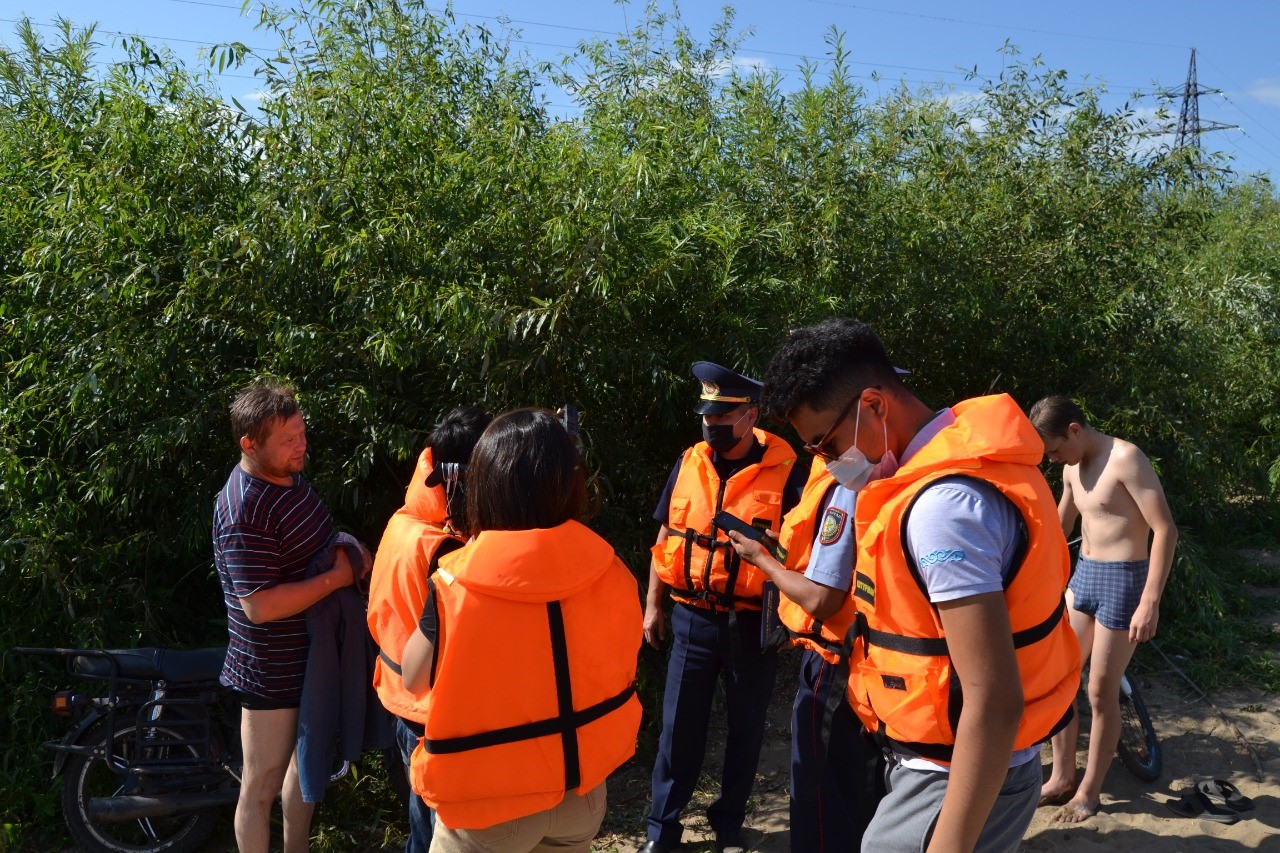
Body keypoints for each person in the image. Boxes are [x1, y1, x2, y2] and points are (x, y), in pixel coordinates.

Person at [760, 318, 1081, 853]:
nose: (828, 462)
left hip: (955, 774)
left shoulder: (943, 509)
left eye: (827, 443)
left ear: (875, 405)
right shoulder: (957, 469)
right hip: (951, 763)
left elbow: (994, 697)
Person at [400, 408, 642, 853]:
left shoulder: (455, 581)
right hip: (582, 793)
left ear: (487, 485)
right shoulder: (609, 566)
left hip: (489, 807)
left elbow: (413, 677)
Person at [642, 362, 807, 853]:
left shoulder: (789, 471)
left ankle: (729, 824)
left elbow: (805, 551)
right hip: (691, 615)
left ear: (749, 416)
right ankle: (662, 832)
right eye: (706, 418)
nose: (710, 426)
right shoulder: (689, 461)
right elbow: (666, 535)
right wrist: (653, 605)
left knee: (746, 729)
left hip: (753, 623)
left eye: (721, 418)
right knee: (677, 729)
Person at [213, 382, 370, 853]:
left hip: (311, 659)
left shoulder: (288, 478)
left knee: (306, 771)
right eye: (288, 439)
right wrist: (340, 578)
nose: (301, 445)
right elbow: (259, 606)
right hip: (270, 670)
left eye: (302, 433)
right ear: (249, 444)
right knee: (259, 787)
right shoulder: (246, 507)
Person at [1029, 395, 1178, 822]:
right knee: (1059, 677)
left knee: (1099, 691)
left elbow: (1164, 529)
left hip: (1126, 580)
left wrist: (1150, 600)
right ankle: (1062, 777)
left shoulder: (1126, 458)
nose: (1053, 459)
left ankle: (1089, 791)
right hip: (1085, 576)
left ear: (1074, 429)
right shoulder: (1071, 467)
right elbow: (1062, 526)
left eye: (1055, 449)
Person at [728, 460, 881, 851]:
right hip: (874, 657)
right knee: (861, 781)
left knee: (821, 790)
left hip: (835, 660)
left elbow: (821, 599)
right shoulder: (887, 468)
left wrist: (760, 560)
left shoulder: (847, 480)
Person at [367, 406, 491, 852]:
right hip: (431, 711)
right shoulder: (444, 547)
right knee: (441, 831)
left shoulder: (406, 521)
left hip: (402, 698)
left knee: (422, 819)